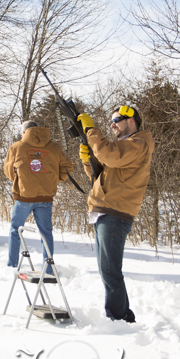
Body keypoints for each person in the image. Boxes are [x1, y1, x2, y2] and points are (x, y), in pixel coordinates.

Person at [76, 106, 154, 323]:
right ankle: (123, 314)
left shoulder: (138, 144)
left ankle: (117, 318)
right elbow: (99, 175)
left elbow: (109, 156)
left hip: (115, 213)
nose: (112, 125)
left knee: (110, 271)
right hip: (106, 211)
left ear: (132, 121)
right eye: (111, 121)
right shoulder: (126, 146)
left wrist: (91, 130)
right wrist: (87, 158)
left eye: (117, 120)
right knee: (106, 270)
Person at [3, 120, 72, 274]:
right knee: (46, 233)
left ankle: (12, 266)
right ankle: (48, 270)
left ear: (24, 132)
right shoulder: (55, 148)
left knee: (16, 230)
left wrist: (21, 180)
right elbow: (67, 168)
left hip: (24, 197)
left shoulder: (16, 147)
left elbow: (8, 171)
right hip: (46, 197)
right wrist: (53, 180)